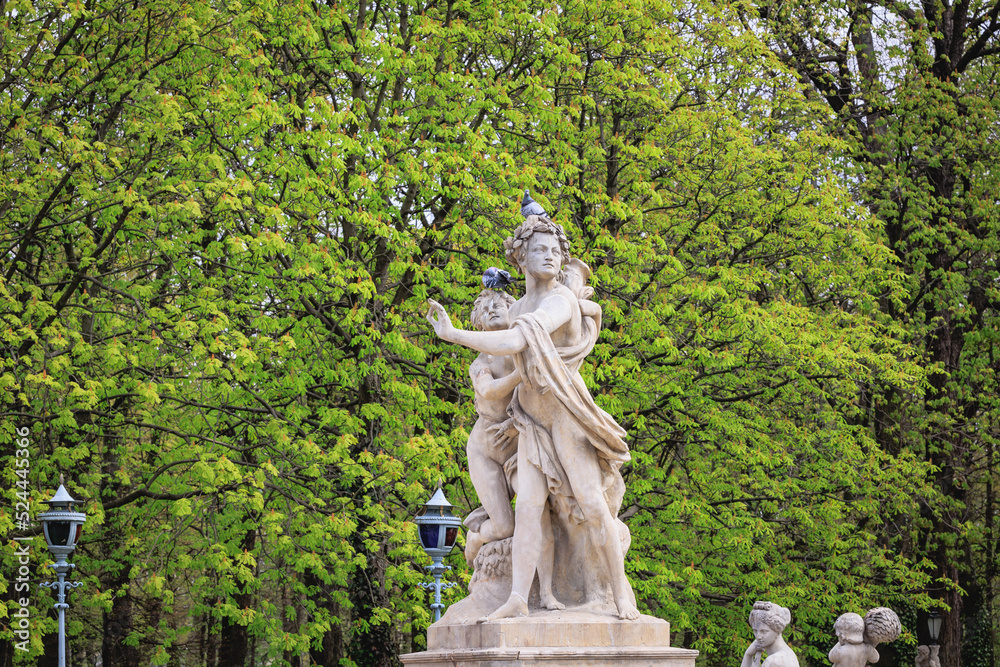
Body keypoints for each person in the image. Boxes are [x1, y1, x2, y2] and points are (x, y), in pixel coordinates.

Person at [427, 216, 638, 621]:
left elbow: (517, 341)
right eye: (541, 249)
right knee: (527, 510)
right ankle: (519, 598)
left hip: (564, 418)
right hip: (528, 420)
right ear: (520, 257)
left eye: (557, 251)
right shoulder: (520, 305)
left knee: (594, 507)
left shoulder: (558, 301)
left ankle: (620, 597)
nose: (552, 257)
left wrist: (453, 335)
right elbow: (496, 359)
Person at [740, 601, 799, 667]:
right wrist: (748, 655)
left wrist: (747, 656)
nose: (758, 637)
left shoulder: (772, 662)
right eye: (755, 631)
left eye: (764, 631)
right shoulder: (788, 654)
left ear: (777, 630)